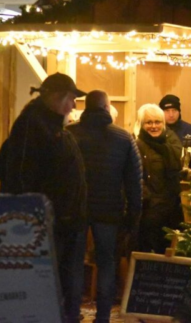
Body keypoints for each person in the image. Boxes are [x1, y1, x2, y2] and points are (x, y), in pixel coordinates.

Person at [0, 73, 88, 323]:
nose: (73, 106)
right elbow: (20, 172)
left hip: (60, 220)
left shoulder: (46, 124)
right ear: (56, 98)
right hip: (47, 223)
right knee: (46, 284)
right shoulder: (33, 125)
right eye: (71, 99)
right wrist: (35, 215)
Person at [67, 90, 142, 323]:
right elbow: (134, 182)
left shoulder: (69, 134)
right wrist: (133, 216)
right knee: (107, 263)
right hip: (109, 211)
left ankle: (70, 314)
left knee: (73, 263)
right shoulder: (123, 137)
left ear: (85, 108)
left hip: (75, 209)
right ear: (108, 108)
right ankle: (102, 318)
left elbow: (57, 176)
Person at [135, 103, 184, 254]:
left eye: (158, 122)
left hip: (171, 207)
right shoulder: (136, 144)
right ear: (141, 124)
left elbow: (178, 167)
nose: (154, 126)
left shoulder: (171, 142)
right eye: (149, 122)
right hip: (149, 209)